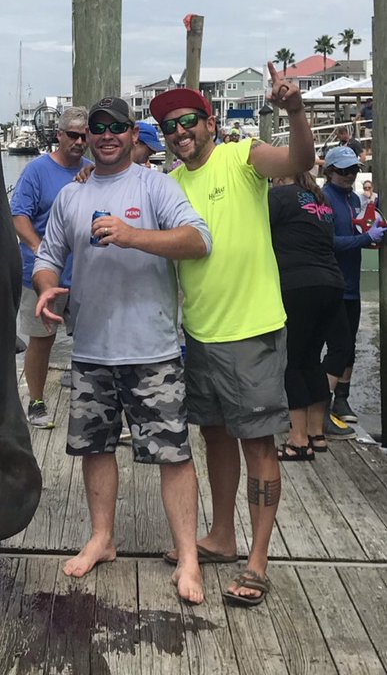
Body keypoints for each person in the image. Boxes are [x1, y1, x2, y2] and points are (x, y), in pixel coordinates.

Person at [33, 97, 212, 604]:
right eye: (97, 127)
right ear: (85, 135)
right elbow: (48, 257)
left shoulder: (157, 185)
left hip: (153, 349)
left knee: (173, 454)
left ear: (133, 134)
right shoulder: (72, 195)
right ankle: (102, 537)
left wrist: (135, 236)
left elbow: (199, 240)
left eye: (116, 127)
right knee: (95, 449)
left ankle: (189, 558)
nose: (106, 134)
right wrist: (47, 286)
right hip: (90, 349)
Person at [150, 61, 315, 609]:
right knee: (214, 437)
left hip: (252, 333)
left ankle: (258, 560)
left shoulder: (241, 158)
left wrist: (293, 111)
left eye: (190, 120)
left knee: (257, 444)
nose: (181, 132)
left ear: (210, 123)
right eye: (170, 126)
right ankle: (221, 537)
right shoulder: (167, 186)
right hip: (198, 335)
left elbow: (298, 160)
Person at [11, 107, 91, 428]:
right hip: (42, 276)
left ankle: (88, 393)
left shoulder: (92, 170)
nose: (79, 141)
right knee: (41, 339)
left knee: (90, 339)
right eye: (72, 135)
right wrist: (38, 248)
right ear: (59, 135)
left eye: (85, 136)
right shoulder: (36, 171)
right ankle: (36, 400)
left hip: (83, 275)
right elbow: (19, 216)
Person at [268, 172, 347, 458]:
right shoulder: (319, 198)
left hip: (298, 284)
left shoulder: (277, 197)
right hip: (332, 284)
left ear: (283, 173)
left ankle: (298, 440)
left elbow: (254, 231)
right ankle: (317, 435)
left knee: (291, 360)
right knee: (312, 359)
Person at [322, 146, 386, 423]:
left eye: (353, 170)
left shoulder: (353, 199)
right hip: (332, 284)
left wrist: (372, 233)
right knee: (337, 346)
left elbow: (358, 231)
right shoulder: (324, 199)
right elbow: (329, 241)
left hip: (352, 285)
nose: (349, 175)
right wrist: (365, 238)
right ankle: (319, 406)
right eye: (343, 171)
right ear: (329, 172)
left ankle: (342, 400)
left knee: (350, 347)